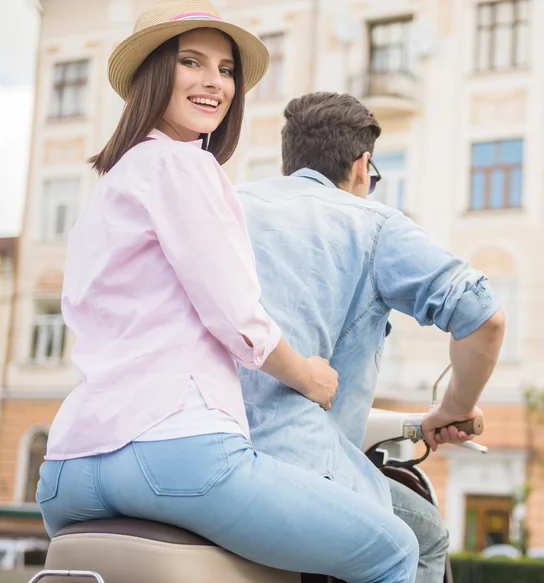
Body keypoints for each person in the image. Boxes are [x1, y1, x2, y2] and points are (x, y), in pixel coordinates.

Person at [35, 4, 420, 582]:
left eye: (226, 69)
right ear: (153, 74)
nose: (214, 81)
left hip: (68, 467)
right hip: (174, 448)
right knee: (394, 548)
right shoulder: (186, 165)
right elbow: (238, 316)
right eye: (191, 61)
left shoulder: (111, 186)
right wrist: (309, 376)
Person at [237, 92, 506, 583]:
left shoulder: (230, 204)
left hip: (201, 445)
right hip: (293, 466)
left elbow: (294, 394)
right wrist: (456, 406)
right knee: (424, 534)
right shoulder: (372, 224)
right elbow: (483, 316)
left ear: (289, 159)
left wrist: (421, 423)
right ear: (363, 167)